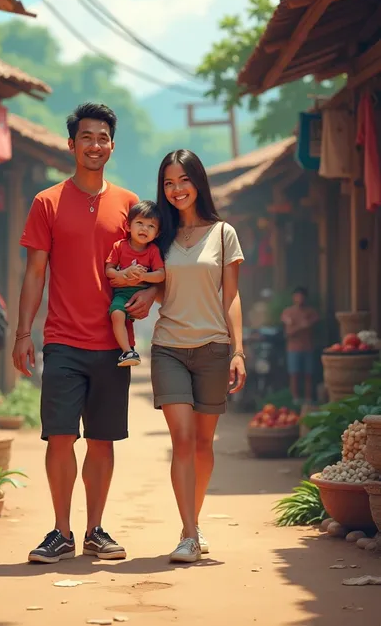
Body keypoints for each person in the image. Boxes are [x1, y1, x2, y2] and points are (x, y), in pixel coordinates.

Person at [13, 103, 156, 565]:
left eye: (103, 138)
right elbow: (35, 273)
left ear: (112, 146)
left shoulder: (131, 205)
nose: (95, 145)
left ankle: (95, 529)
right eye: (87, 137)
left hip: (114, 343)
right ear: (71, 144)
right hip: (62, 340)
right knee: (59, 436)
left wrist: (149, 299)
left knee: (101, 439)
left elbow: (155, 267)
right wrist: (22, 333)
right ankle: (60, 531)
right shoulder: (46, 202)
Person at [151, 149, 246, 563]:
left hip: (213, 348)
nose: (176, 190)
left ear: (198, 182)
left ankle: (194, 521)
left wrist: (238, 350)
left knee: (204, 443)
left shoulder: (223, 233)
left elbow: (232, 295)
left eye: (183, 181)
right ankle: (188, 534)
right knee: (183, 439)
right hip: (168, 346)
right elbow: (153, 284)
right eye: (169, 183)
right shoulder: (159, 235)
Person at [106, 200, 165, 367]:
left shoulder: (153, 251)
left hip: (141, 293)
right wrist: (122, 274)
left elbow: (161, 275)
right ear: (128, 226)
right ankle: (127, 352)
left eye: (151, 226)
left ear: (157, 233)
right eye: (139, 223)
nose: (144, 229)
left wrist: (143, 278)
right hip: (122, 293)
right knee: (116, 314)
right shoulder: (120, 246)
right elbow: (108, 270)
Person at [281, 286, 319, 405]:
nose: (299, 298)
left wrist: (297, 326)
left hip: (308, 347)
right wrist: (301, 326)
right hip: (293, 348)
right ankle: (295, 398)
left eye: (302, 296)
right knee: (294, 374)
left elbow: (313, 323)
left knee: (309, 374)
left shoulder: (311, 312)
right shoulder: (288, 312)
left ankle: (308, 398)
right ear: (293, 297)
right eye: (297, 296)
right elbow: (288, 332)